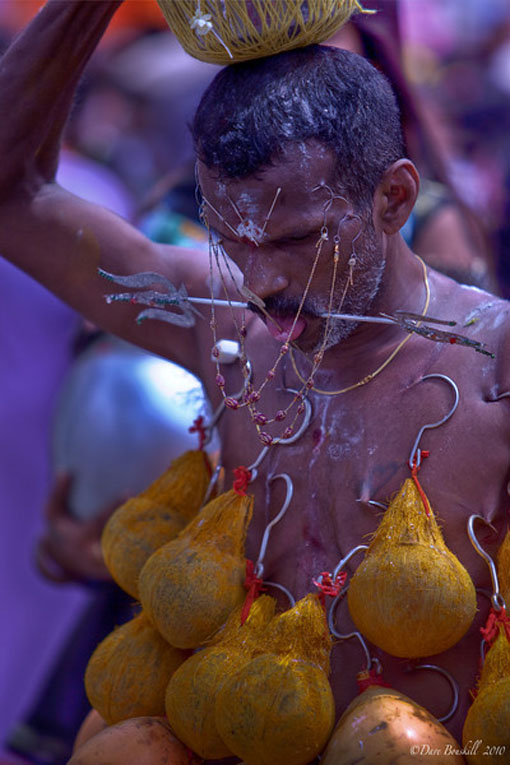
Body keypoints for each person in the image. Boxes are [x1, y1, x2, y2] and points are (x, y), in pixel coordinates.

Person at [0, 0, 508, 753]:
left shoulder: (495, 362)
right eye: (233, 241)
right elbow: (12, 195)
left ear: (394, 198)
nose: (262, 281)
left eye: (298, 238)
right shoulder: (220, 321)